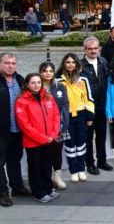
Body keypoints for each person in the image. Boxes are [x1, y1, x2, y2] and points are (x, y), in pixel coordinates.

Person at [15, 73, 60, 203]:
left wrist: (52, 135)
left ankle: (48, 189)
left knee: (47, 166)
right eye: (33, 82)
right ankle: (38, 192)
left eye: (38, 82)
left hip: (49, 140)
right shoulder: (21, 100)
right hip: (33, 142)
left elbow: (56, 116)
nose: (36, 85)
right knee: (35, 168)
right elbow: (25, 125)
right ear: (27, 84)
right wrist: (43, 138)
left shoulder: (48, 97)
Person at [0, 53, 31, 207]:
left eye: (13, 63)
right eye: (7, 63)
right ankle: (3, 193)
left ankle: (17, 187)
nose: (10, 66)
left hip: (17, 129)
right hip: (1, 131)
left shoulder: (20, 80)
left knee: (15, 159)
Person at [58, 53, 94, 183]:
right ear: (64, 64)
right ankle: (73, 170)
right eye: (68, 62)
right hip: (66, 117)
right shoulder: (58, 80)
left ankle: (81, 169)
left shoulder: (83, 79)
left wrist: (90, 116)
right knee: (70, 144)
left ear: (77, 64)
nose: (70, 65)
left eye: (73, 62)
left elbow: (89, 98)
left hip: (81, 115)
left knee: (81, 142)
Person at [80, 36, 111, 175]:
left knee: (101, 135)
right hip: (88, 106)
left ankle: (102, 160)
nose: (93, 51)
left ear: (99, 49)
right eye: (90, 48)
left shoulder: (103, 62)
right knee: (88, 136)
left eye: (95, 48)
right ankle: (90, 163)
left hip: (101, 105)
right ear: (85, 50)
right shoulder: (79, 65)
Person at [39, 62, 69, 191]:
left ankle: (57, 176)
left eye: (51, 71)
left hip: (59, 125)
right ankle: (46, 179)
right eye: (45, 71)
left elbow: (65, 105)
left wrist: (64, 124)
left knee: (57, 152)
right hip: (43, 128)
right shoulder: (36, 87)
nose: (48, 73)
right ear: (40, 72)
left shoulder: (60, 86)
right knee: (46, 154)